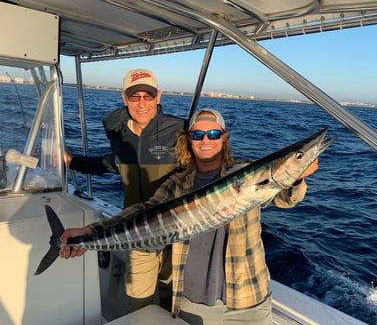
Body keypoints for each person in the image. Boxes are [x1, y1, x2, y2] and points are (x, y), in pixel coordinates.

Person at [61, 108, 318, 324]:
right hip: (190, 302)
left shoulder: (246, 171)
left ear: (224, 138)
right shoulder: (177, 184)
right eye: (198, 134)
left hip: (247, 301)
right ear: (189, 140)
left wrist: (297, 176)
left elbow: (286, 198)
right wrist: (89, 233)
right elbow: (143, 211)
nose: (206, 139)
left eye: (214, 133)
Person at [64, 68, 186, 313]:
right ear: (124, 98)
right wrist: (72, 161)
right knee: (138, 304)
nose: (142, 103)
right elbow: (110, 164)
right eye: (134, 96)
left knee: (172, 301)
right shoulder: (119, 133)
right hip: (135, 232)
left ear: (158, 97)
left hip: (176, 233)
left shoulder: (179, 129)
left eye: (148, 96)